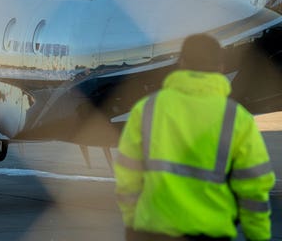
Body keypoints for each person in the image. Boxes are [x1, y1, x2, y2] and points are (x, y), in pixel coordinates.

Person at [114, 34, 275, 241]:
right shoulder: (236, 118)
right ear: (221, 66)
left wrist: (132, 221)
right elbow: (254, 186)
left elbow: (127, 173)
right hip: (208, 231)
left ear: (181, 63)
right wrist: (258, 235)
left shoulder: (147, 109)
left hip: (152, 229)